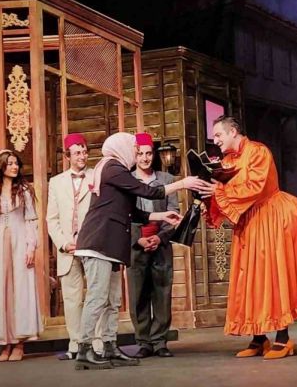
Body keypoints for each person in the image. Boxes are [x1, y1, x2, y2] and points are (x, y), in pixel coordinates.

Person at [73, 132, 211, 370]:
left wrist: (162, 215)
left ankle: (109, 346)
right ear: (121, 148)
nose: (136, 154)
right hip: (99, 242)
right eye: (134, 150)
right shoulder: (113, 167)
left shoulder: (115, 170)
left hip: (110, 245)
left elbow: (133, 212)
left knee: (112, 300)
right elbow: (148, 192)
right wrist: (183, 183)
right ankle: (84, 349)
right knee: (97, 297)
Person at [206, 116, 297, 360]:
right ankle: (259, 338)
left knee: (274, 275)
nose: (215, 140)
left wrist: (219, 191)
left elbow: (254, 187)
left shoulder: (258, 151)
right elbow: (225, 194)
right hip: (249, 221)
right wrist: (209, 193)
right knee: (250, 278)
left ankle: (283, 337)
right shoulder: (227, 161)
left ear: (233, 132)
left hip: (271, 217)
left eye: (218, 135)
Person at [0, 149, 42, 361]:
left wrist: (31, 247)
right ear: (1, 167)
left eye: (16, 163)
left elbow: (30, 220)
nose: (14, 167)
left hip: (19, 243)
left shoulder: (24, 190)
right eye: (10, 163)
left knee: (19, 291)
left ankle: (19, 344)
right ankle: (4, 344)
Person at [47, 133, 108, 360]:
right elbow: (52, 219)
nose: (82, 156)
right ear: (68, 156)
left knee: (96, 295)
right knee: (72, 299)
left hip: (92, 244)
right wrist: (64, 244)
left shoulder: (96, 176)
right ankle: (75, 343)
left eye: (84, 152)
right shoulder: (56, 182)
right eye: (77, 153)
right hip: (68, 248)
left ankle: (97, 342)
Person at [128, 133, 179, 359]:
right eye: (140, 154)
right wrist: (137, 238)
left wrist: (160, 237)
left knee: (162, 292)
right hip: (137, 244)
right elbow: (125, 214)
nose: (145, 158)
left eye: (148, 153)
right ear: (135, 155)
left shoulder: (166, 179)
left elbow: (174, 212)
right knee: (138, 294)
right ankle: (144, 341)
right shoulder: (127, 180)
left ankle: (159, 341)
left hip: (160, 243)